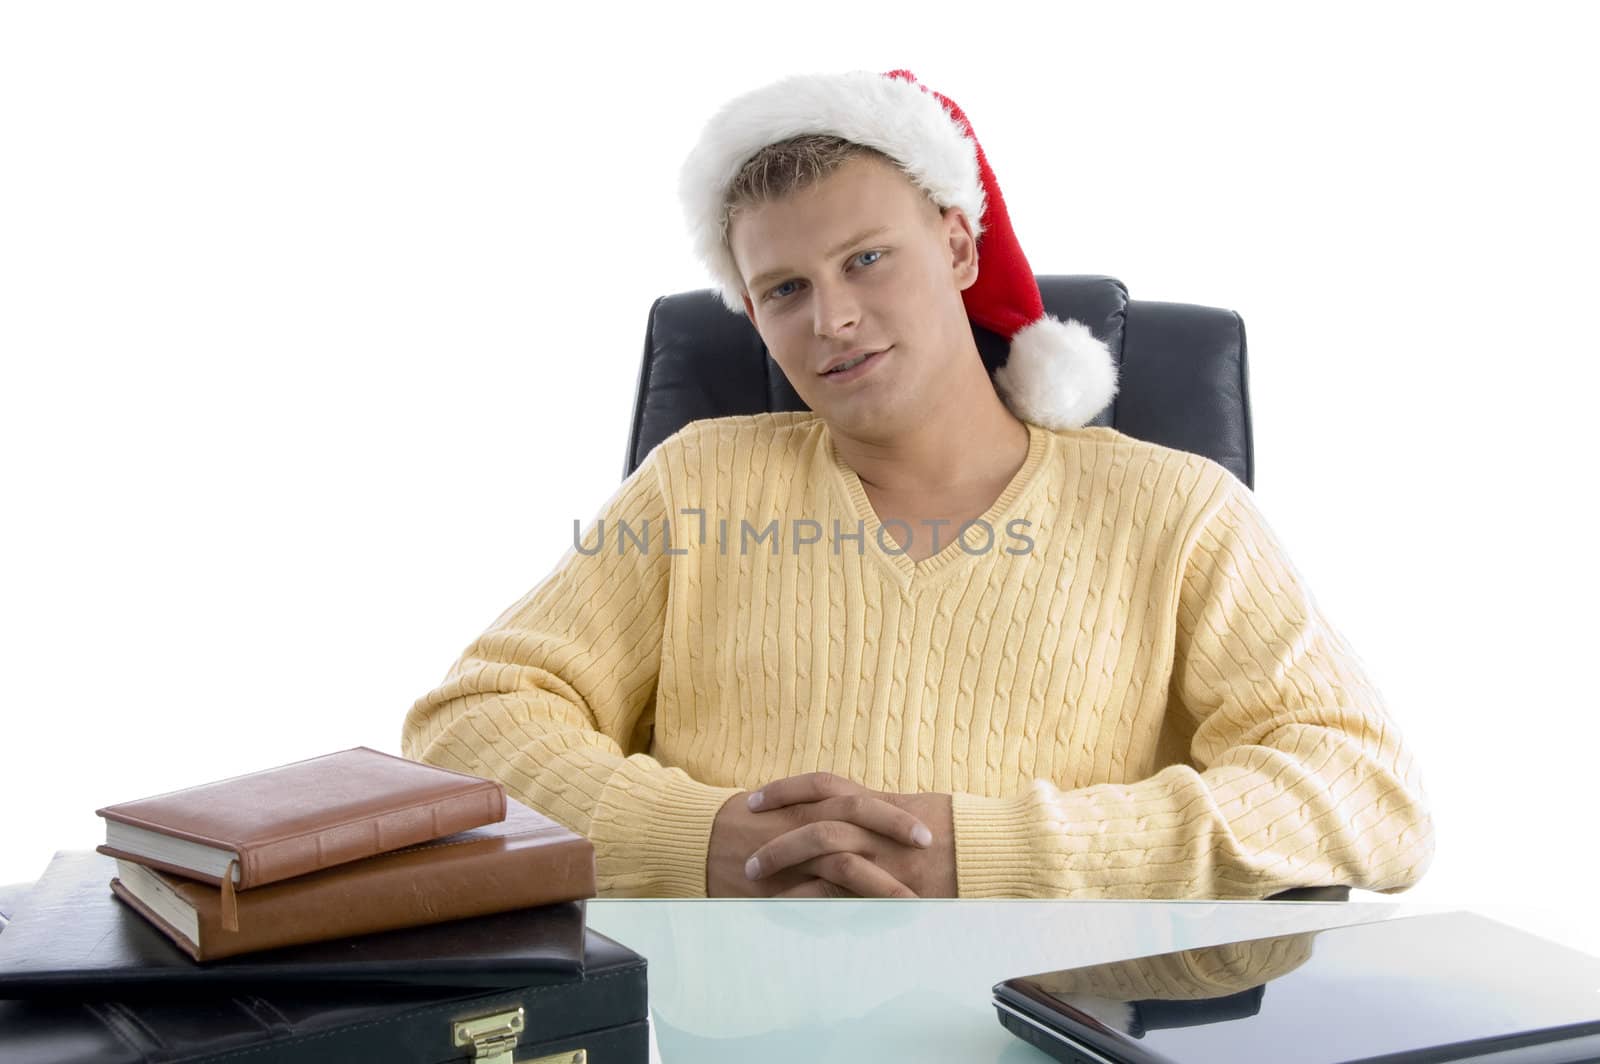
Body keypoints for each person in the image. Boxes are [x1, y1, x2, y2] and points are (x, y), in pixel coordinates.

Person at [400, 69, 1435, 899]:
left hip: (1049, 1023)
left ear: (953, 245)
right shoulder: (697, 484)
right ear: (751, 313)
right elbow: (468, 724)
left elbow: (1364, 794)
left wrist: (990, 855)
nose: (831, 318)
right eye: (786, 288)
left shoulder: (1177, 509)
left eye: (866, 259)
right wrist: (698, 840)